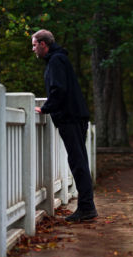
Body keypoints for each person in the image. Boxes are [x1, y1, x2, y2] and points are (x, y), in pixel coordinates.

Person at [32, 29, 98, 222]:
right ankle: (87, 207)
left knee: (78, 162)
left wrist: (45, 108)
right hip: (74, 116)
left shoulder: (56, 61)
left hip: (71, 117)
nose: (33, 49)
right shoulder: (59, 59)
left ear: (44, 44)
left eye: (35, 44)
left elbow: (59, 89)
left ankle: (87, 208)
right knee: (78, 161)